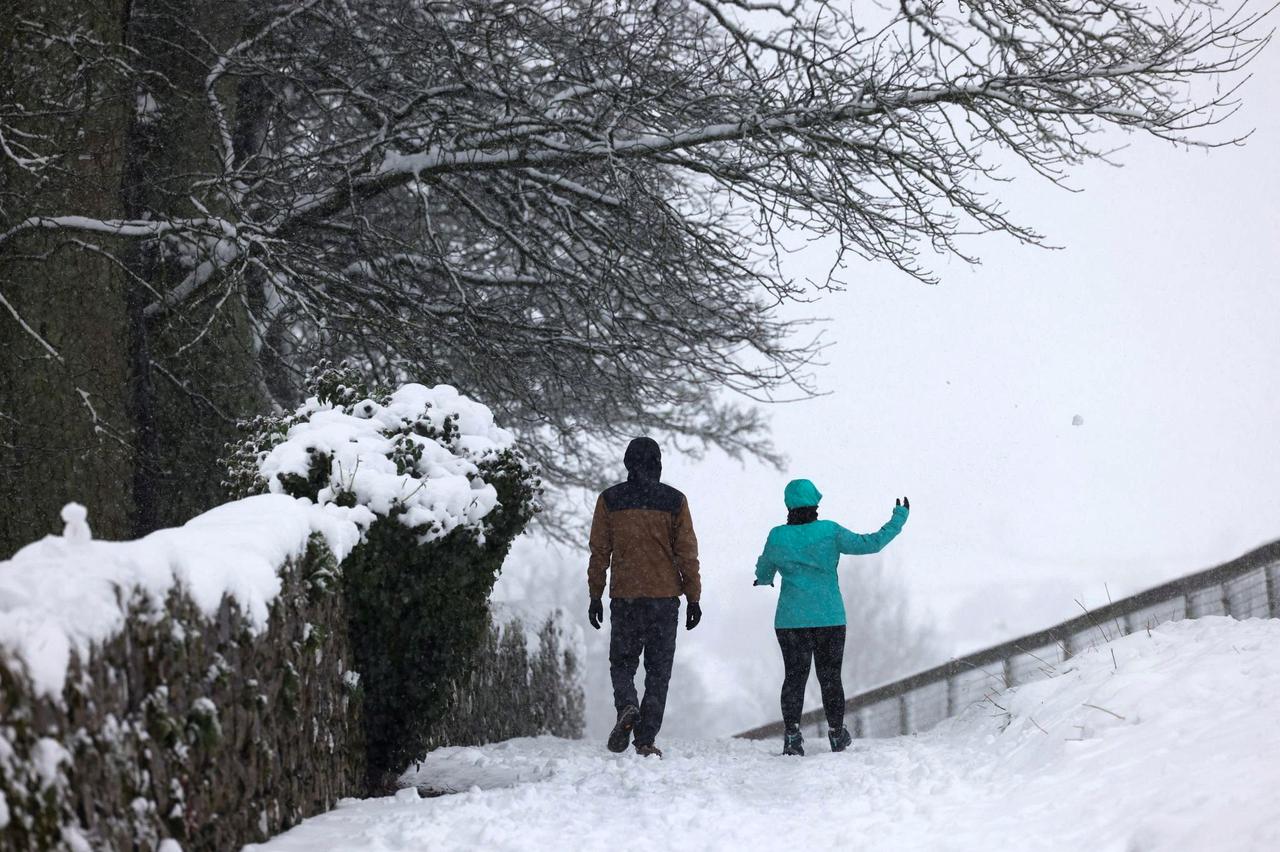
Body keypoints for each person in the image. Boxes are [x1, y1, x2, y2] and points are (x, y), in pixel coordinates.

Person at [754, 479, 909, 756]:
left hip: (791, 620)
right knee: (830, 677)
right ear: (815, 502)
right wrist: (897, 520)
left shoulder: (777, 536)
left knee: (794, 677)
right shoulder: (829, 531)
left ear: (788, 503)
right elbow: (869, 543)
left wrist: (763, 578)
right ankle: (837, 734)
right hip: (829, 617)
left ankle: (792, 736)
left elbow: (766, 567)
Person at [587, 437, 701, 758]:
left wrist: (596, 594)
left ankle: (626, 704)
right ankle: (646, 739)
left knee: (622, 662)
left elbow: (599, 553)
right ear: (658, 464)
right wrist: (693, 597)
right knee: (658, 670)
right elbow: (687, 553)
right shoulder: (675, 501)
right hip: (664, 600)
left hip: (625, 598)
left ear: (627, 463)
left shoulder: (610, 500)